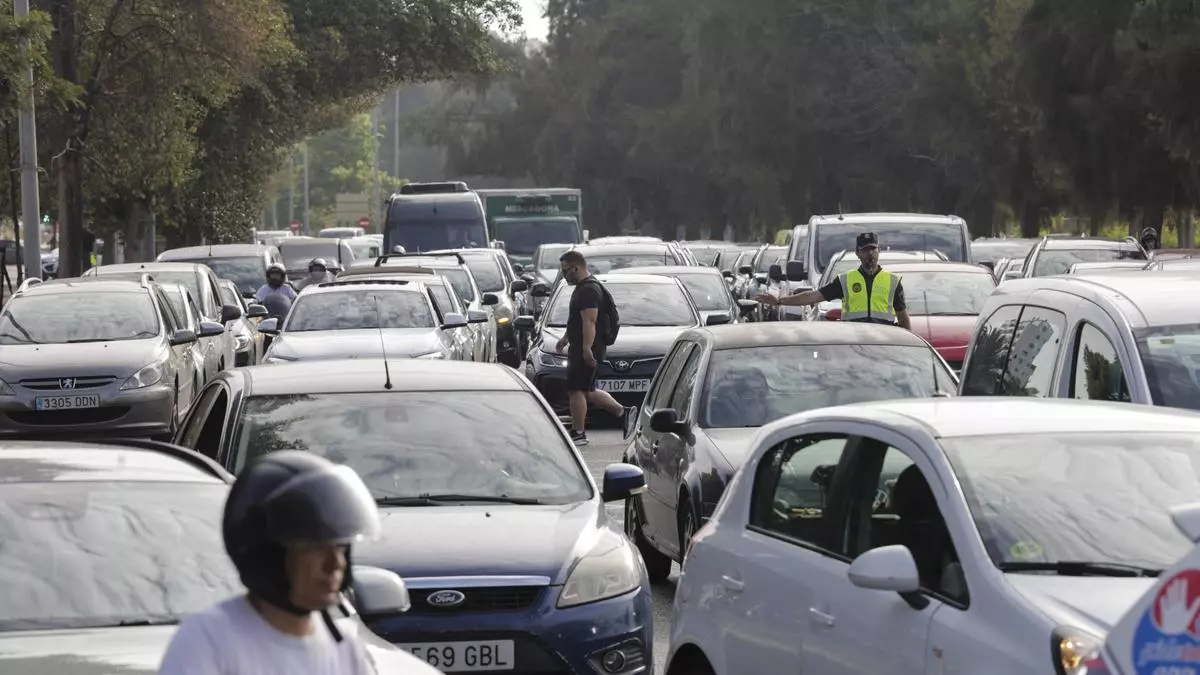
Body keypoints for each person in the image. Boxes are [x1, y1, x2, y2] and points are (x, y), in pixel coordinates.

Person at [158, 451, 380, 675]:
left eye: (341, 547)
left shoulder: (346, 650)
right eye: (316, 548)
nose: (335, 564)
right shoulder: (208, 642)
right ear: (268, 554)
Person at [556, 250, 636, 446]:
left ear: (576, 267)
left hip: (586, 348)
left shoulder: (588, 290)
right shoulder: (585, 287)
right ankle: (624, 413)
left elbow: (590, 321)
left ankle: (578, 433)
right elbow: (577, 320)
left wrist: (586, 348)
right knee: (586, 390)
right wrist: (566, 337)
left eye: (566, 271)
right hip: (582, 345)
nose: (564, 275)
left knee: (576, 390)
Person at [756, 232, 912, 329]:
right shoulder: (845, 280)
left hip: (884, 344)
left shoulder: (893, 281)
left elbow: (903, 317)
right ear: (858, 253)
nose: (870, 253)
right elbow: (814, 296)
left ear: (879, 251)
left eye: (873, 249)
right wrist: (779, 301)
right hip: (853, 343)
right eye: (865, 250)